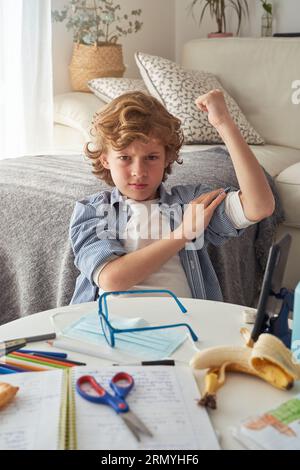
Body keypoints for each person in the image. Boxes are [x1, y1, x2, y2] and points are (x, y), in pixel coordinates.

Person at [69, 90, 275, 304]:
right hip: (113, 326)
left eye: (151, 157)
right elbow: (112, 279)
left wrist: (224, 123)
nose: (139, 171)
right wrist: (184, 233)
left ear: (167, 157)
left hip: (184, 325)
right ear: (105, 160)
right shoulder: (93, 211)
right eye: (124, 158)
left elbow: (259, 206)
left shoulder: (190, 203)